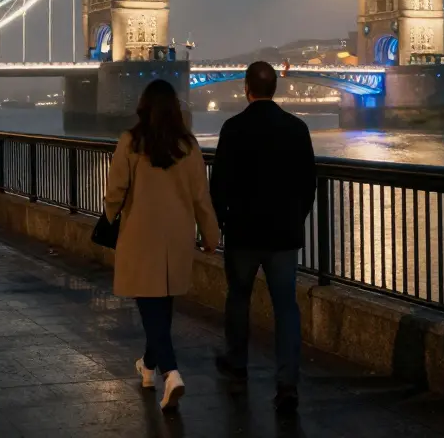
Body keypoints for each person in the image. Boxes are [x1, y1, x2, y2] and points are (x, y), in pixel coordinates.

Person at [104, 79, 220, 412]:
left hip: (141, 235)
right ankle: (148, 367)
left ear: (143, 107)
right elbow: (201, 197)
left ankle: (171, 373)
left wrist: (110, 214)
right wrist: (211, 235)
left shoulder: (130, 142)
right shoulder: (189, 146)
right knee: (162, 306)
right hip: (177, 237)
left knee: (150, 307)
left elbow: (116, 191)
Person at [210, 60, 316, 414]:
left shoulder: (233, 128)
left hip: (243, 232)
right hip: (284, 235)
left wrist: (221, 219)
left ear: (246, 88)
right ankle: (287, 384)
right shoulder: (297, 129)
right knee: (286, 307)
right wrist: (295, 217)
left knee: (238, 298)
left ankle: (237, 364)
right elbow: (308, 183)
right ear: (276, 89)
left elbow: (219, 182)